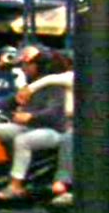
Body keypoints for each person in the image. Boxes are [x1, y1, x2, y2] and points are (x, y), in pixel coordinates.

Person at [0, 45, 67, 199]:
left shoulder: (54, 86)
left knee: (23, 141)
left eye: (28, 65)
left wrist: (31, 117)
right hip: (31, 127)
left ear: (41, 66)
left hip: (54, 130)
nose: (24, 68)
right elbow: (12, 100)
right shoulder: (32, 85)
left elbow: (54, 112)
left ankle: (15, 186)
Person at [15, 54, 74, 204]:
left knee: (68, 139)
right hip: (66, 122)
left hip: (77, 124)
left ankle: (63, 181)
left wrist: (29, 88)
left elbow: (51, 79)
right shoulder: (57, 85)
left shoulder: (72, 77)